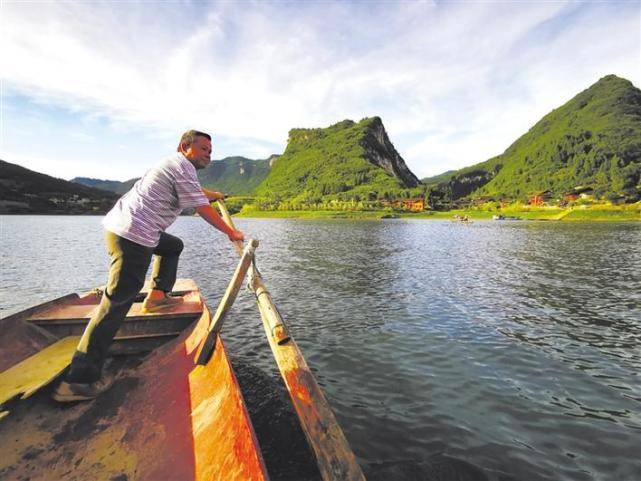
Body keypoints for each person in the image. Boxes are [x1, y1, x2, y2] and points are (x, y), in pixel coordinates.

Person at [53, 129, 244, 402]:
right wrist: (231, 232)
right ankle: (78, 381)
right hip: (133, 235)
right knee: (116, 303)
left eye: (211, 152)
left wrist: (215, 194)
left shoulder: (176, 166)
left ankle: (156, 297)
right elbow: (201, 207)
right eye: (204, 149)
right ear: (185, 147)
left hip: (130, 230)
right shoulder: (181, 165)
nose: (208, 155)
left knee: (172, 245)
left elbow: (198, 195)